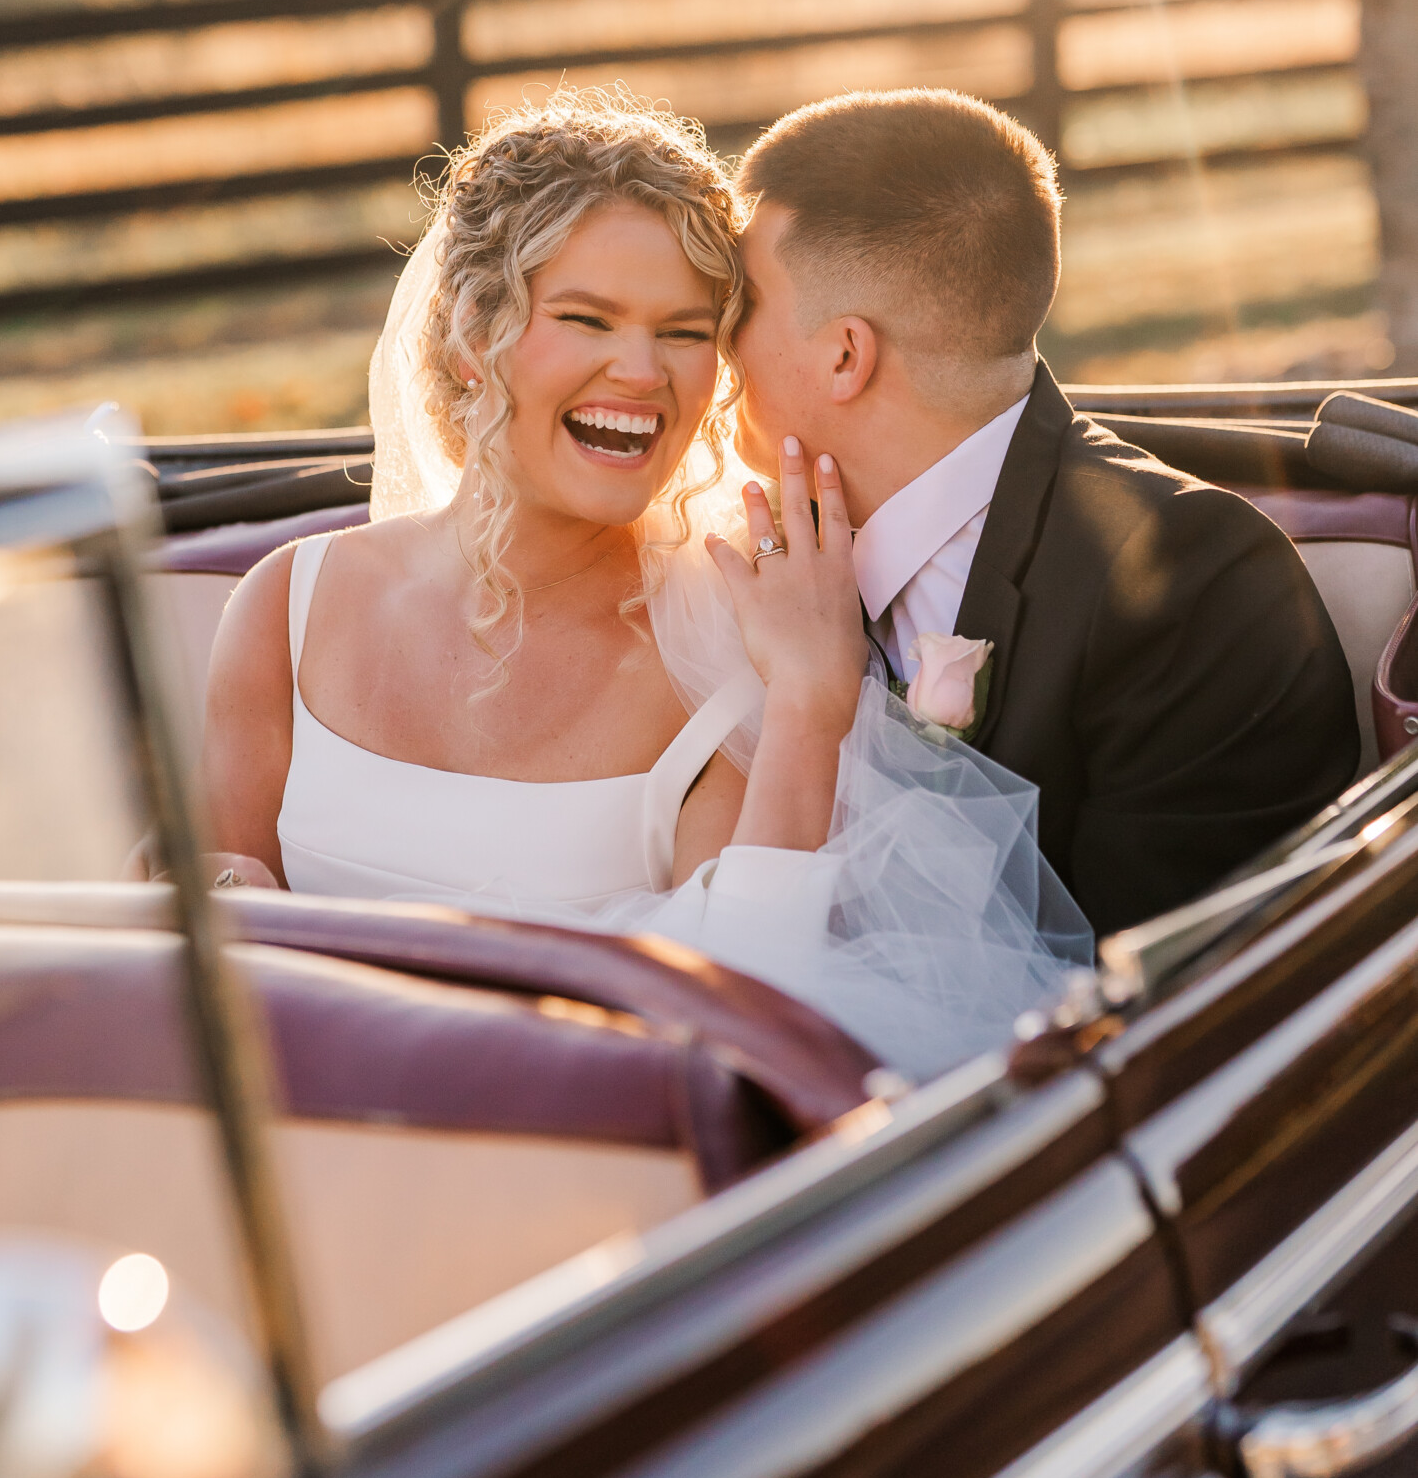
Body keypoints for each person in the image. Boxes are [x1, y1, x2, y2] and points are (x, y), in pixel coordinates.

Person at [203, 98, 1089, 1082]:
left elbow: (759, 1010)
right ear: (469, 335)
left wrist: (807, 701)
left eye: (684, 331)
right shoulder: (286, 607)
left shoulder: (724, 649)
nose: (641, 370)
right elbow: (210, 953)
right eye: (586, 318)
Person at [731, 88, 1361, 939]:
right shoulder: (744, 547)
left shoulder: (1187, 578)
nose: (717, 338)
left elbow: (1159, 999)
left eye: (741, 305)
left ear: (845, 354)